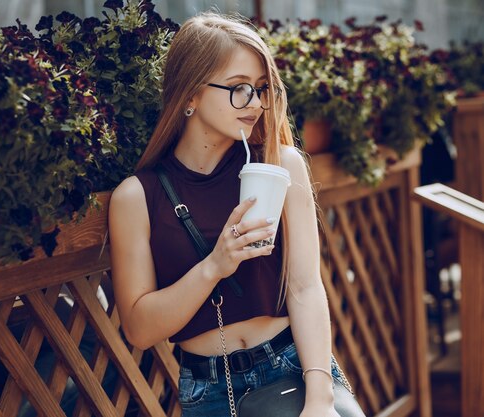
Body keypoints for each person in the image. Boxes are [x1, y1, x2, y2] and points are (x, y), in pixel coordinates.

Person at [109, 12, 356, 417]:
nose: (256, 103)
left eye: (261, 89)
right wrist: (215, 266)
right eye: (239, 88)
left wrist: (320, 397)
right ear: (190, 94)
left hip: (292, 368)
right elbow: (139, 328)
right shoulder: (137, 197)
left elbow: (305, 287)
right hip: (207, 391)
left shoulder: (281, 165)